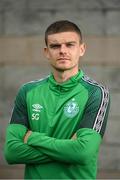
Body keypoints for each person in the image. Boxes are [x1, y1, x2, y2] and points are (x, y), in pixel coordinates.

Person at [4, 20, 110, 179]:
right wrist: (69, 149)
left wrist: (32, 137)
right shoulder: (28, 91)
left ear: (82, 49)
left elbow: (82, 153)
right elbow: (12, 153)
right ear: (46, 52)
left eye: (70, 45)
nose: (62, 51)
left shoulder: (96, 93)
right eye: (55, 46)